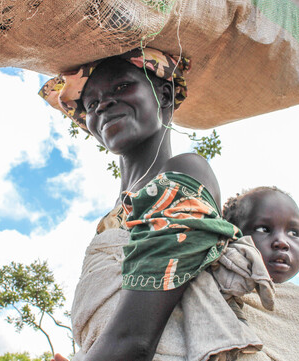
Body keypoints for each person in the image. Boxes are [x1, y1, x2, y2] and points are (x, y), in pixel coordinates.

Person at [40, 48, 251, 360]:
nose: (104, 104)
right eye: (92, 104)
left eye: (122, 87)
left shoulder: (185, 173)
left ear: (164, 95)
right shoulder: (110, 219)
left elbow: (134, 339)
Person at [221, 187, 299, 360]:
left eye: (293, 233)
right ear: (231, 238)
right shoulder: (215, 289)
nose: (282, 242)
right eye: (263, 229)